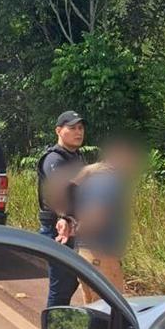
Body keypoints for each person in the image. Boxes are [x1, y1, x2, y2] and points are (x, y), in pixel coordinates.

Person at [68, 134, 145, 303]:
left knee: (92, 308)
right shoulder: (111, 182)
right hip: (102, 257)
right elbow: (96, 215)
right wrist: (79, 228)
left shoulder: (92, 179)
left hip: (85, 254)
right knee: (109, 309)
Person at [36, 110, 87, 307]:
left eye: (81, 128)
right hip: (58, 230)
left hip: (76, 229)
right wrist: (64, 217)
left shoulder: (77, 157)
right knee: (61, 288)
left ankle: (61, 320)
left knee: (73, 283)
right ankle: (52, 324)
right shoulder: (54, 159)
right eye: (72, 128)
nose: (78, 132)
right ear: (58, 131)